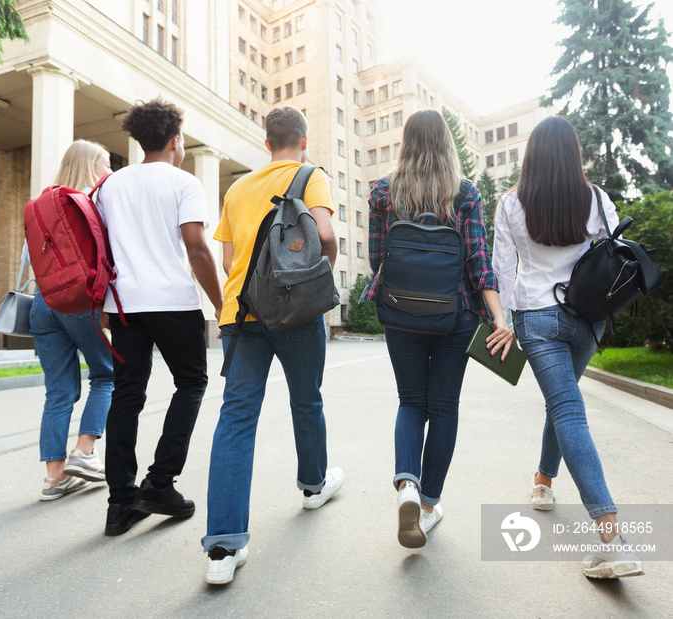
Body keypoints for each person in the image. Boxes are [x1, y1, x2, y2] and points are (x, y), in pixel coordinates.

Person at [492, 115, 644, 579]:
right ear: (573, 155)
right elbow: (618, 251)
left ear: (531, 155)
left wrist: (504, 321)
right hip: (587, 318)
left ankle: (611, 538)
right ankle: (543, 482)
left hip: (537, 318)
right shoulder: (596, 198)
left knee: (566, 410)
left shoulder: (511, 203)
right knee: (565, 406)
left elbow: (501, 270)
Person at [202, 105, 343, 585]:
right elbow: (324, 234)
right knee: (307, 401)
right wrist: (317, 270)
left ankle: (223, 546)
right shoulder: (311, 175)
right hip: (297, 312)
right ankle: (313, 486)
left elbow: (228, 261)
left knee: (236, 418)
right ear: (303, 141)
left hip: (240, 314)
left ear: (266, 143)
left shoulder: (237, 188)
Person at [361, 110, 513, 549]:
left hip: (400, 312)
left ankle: (406, 484)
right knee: (443, 408)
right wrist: (499, 318)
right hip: (456, 313)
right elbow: (478, 263)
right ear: (447, 142)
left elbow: (377, 259)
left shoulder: (383, 192)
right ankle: (428, 505)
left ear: (406, 142)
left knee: (410, 402)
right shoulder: (463, 193)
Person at [95, 98, 224, 536]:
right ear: (175, 140)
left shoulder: (110, 185)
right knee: (191, 383)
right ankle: (160, 483)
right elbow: (197, 248)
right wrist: (221, 304)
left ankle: (119, 503)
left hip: (124, 305)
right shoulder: (184, 184)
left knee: (126, 396)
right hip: (172, 301)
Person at [30, 139, 114, 501]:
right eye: (106, 163)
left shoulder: (40, 205)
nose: (109, 171)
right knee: (108, 374)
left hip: (42, 302)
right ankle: (85, 450)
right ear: (90, 166)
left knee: (59, 390)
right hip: (79, 301)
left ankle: (54, 478)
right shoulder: (92, 203)